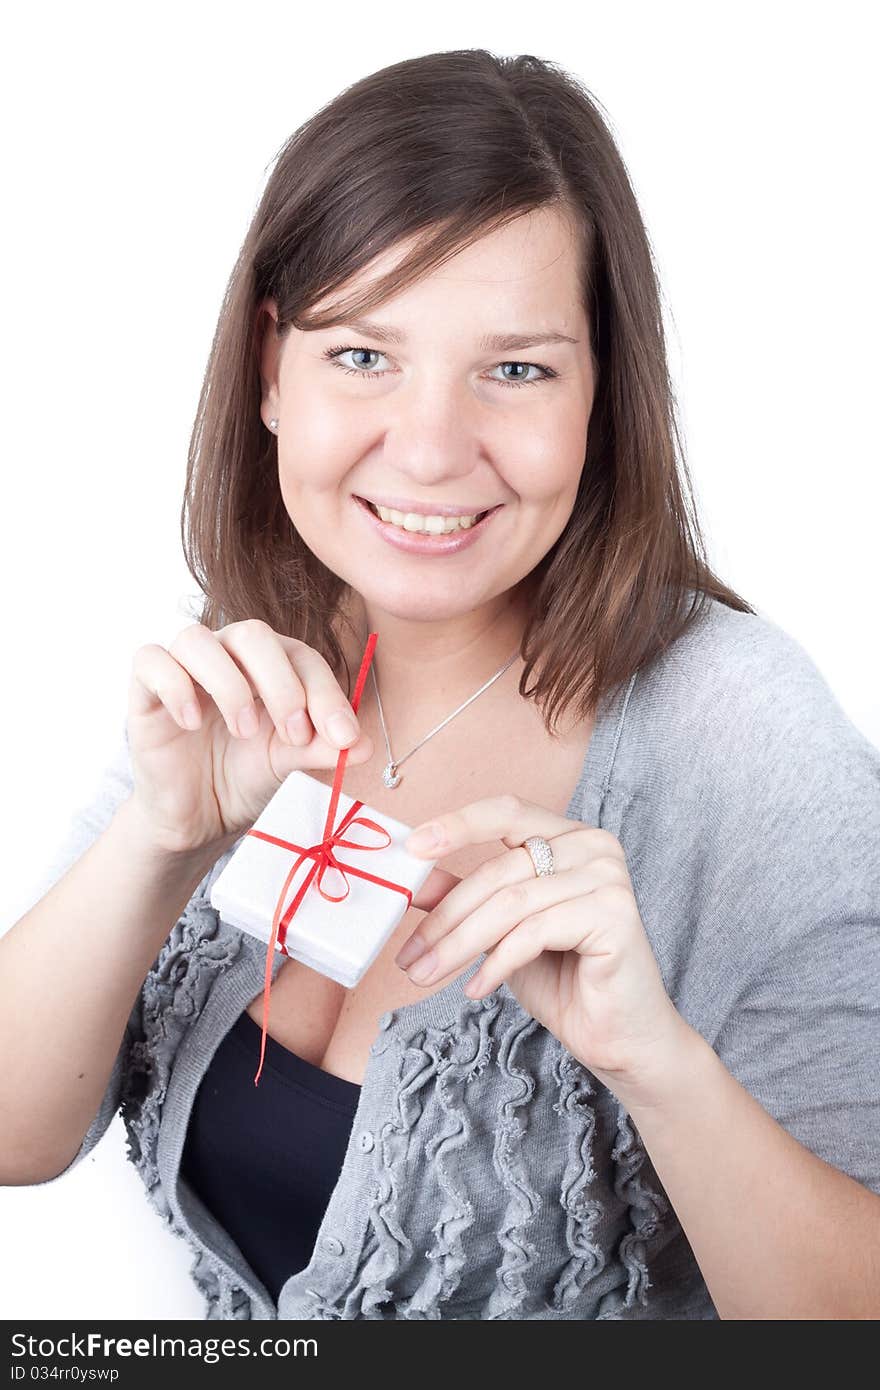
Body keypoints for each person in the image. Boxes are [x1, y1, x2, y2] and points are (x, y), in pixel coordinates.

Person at [3, 48, 879, 1322]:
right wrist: (159, 836)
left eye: (515, 368)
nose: (425, 448)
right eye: (363, 355)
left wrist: (655, 1064)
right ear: (268, 369)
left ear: (601, 397)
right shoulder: (257, 652)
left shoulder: (737, 731)